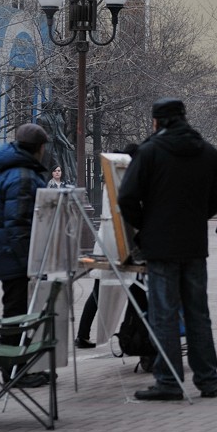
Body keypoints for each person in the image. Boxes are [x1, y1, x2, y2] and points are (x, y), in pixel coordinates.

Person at [118, 98, 217, 401]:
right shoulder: (206, 151)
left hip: (160, 246)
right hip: (194, 244)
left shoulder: (150, 151)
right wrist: (196, 218)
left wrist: (146, 226)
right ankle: (208, 380)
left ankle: (168, 379)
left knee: (164, 314)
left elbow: (126, 197)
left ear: (157, 122)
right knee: (198, 314)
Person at [0, 123, 51, 388]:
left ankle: (19, 369)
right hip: (16, 259)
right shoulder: (22, 176)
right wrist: (31, 263)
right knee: (16, 314)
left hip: (9, 256)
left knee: (19, 312)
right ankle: (13, 372)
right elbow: (18, 226)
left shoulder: (15, 171)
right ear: (39, 148)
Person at [76, 143, 139, 349]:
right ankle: (129, 332)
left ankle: (84, 334)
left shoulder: (113, 179)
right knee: (132, 288)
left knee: (100, 290)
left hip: (109, 241)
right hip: (119, 242)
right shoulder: (124, 180)